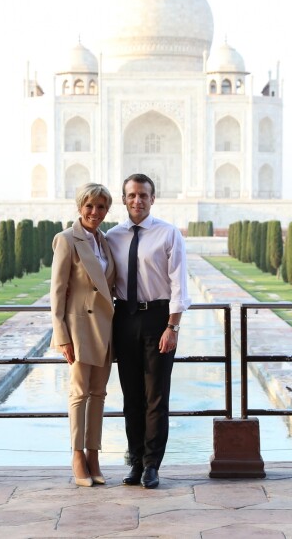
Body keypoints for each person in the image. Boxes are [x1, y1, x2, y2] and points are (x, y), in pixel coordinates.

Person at [106, 174, 191, 489]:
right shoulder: (112, 236)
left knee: (156, 396)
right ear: (124, 199)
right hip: (124, 318)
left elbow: (179, 284)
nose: (137, 201)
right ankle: (136, 461)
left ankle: (153, 465)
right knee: (131, 397)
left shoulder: (167, 234)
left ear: (153, 199)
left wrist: (173, 326)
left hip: (158, 319)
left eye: (143, 195)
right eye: (131, 195)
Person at [50, 183, 116, 487]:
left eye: (101, 207)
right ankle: (77, 455)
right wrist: (61, 334)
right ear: (80, 207)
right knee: (79, 393)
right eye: (89, 206)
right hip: (78, 328)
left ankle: (94, 455)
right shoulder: (67, 240)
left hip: (105, 327)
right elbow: (58, 290)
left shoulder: (105, 241)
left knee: (99, 394)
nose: (95, 212)